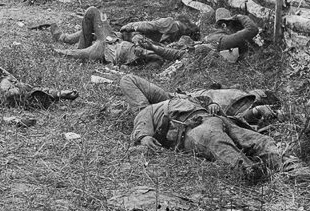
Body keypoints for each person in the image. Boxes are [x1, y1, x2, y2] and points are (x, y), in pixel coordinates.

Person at [119, 74, 284, 182]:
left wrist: (211, 105)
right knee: (215, 140)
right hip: (192, 128)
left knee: (257, 139)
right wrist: (144, 136)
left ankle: (285, 165)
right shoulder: (147, 111)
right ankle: (251, 171)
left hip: (215, 118)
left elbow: (206, 102)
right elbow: (142, 121)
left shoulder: (174, 101)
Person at [50, 6, 199, 66]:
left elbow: (147, 25)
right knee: (99, 31)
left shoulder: (171, 23)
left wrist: (130, 26)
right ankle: (67, 39)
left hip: (119, 41)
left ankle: (66, 40)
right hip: (122, 45)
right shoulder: (174, 44)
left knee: (94, 12)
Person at [136, 8, 260, 64]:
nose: (236, 30)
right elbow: (252, 29)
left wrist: (153, 47)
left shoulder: (209, 38)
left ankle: (152, 47)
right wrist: (238, 17)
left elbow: (177, 54)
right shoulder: (224, 40)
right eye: (234, 26)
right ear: (224, 26)